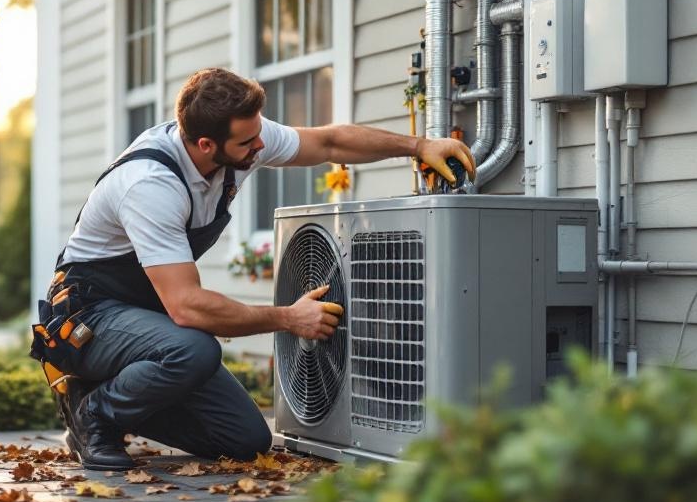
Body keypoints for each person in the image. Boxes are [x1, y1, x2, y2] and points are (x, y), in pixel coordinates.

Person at [43, 67, 475, 470]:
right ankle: (96, 414)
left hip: (145, 313)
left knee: (245, 439)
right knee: (193, 349)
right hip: (89, 313)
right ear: (206, 145)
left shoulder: (240, 136)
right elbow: (187, 309)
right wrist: (288, 318)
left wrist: (419, 146)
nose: (261, 147)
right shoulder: (150, 185)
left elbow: (328, 143)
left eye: (257, 135)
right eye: (247, 143)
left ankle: (101, 392)